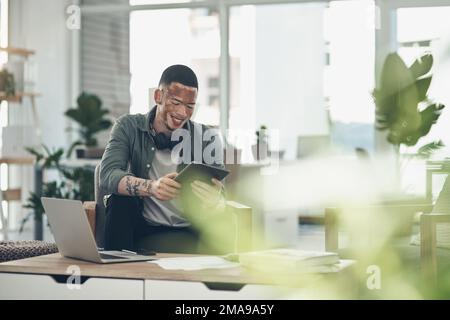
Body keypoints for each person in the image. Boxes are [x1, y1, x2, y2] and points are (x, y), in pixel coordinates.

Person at [99, 65, 225, 253]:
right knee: (120, 202)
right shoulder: (128, 126)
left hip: (191, 230)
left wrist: (215, 201)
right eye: (176, 102)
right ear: (158, 96)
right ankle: (118, 274)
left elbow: (223, 195)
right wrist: (152, 187)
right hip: (143, 227)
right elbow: (108, 175)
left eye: (190, 106)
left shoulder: (208, 137)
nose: (182, 113)